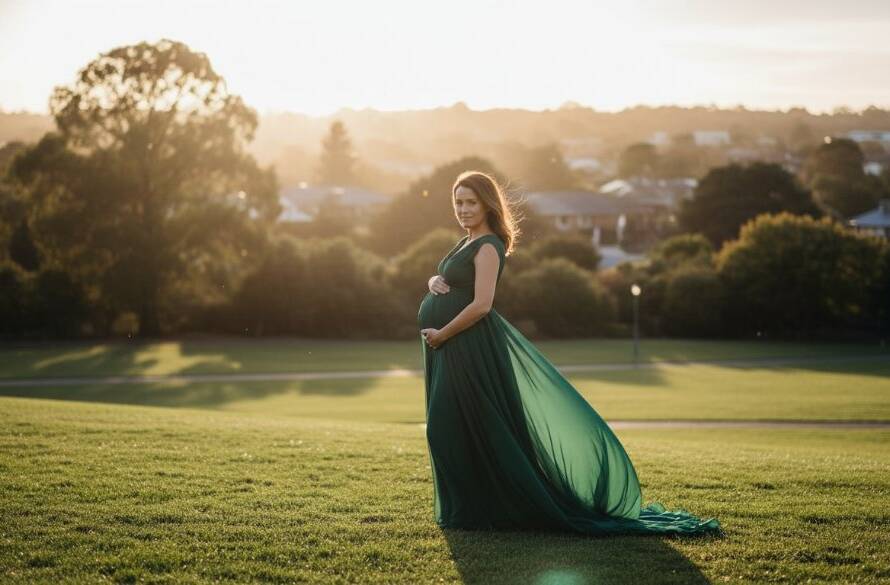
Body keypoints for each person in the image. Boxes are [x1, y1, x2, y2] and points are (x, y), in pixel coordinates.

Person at [417, 170, 720, 535]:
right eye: (458, 202)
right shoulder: (466, 241)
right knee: (457, 427)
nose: (463, 209)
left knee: (446, 427)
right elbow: (448, 281)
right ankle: (472, 511)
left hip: (466, 347)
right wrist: (433, 282)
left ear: (487, 205)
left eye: (470, 202)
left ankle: (483, 509)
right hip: (447, 344)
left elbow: (482, 304)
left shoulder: (488, 246)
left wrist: (443, 334)